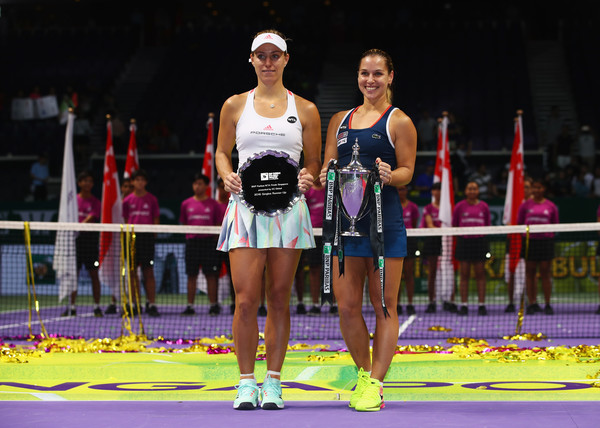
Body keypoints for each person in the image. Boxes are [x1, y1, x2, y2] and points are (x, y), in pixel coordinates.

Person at [215, 30, 321, 410]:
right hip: (244, 211)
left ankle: (273, 382)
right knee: (245, 301)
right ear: (251, 59)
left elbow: (314, 161)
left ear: (286, 60)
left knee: (278, 298)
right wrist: (225, 173)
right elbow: (221, 153)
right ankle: (246, 382)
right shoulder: (234, 106)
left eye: (275, 55)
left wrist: (310, 175)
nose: (268, 62)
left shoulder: (305, 109)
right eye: (261, 56)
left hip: (289, 212)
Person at [319, 48, 416, 412]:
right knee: (346, 307)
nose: (370, 80)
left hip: (384, 226)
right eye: (364, 73)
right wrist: (312, 177)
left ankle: (375, 383)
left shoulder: (399, 121)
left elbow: (407, 169)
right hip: (344, 228)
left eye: (377, 73)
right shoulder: (340, 120)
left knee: (384, 306)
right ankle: (363, 375)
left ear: (391, 76)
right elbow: (329, 166)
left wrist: (392, 176)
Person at [180, 173, 223, 316]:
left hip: (208, 243)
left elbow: (218, 224)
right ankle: (190, 306)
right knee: (191, 275)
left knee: (211, 275)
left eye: (200, 183)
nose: (197, 186)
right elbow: (184, 223)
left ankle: (213, 305)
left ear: (206, 186)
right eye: (195, 183)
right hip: (192, 243)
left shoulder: (214, 204)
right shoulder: (186, 204)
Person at [62, 171, 103, 317]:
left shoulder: (96, 202)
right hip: (75, 243)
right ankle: (71, 307)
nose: (87, 184)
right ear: (79, 183)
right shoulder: (71, 202)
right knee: (74, 275)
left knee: (94, 274)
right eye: (84, 181)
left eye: (90, 181)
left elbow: (92, 217)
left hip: (90, 242)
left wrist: (79, 226)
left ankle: (97, 306)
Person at [122, 169, 161, 317]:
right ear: (132, 182)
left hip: (147, 238)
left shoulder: (152, 199)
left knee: (148, 272)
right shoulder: (127, 201)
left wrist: (153, 236)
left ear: (145, 182)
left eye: (142, 180)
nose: (139, 182)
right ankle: (134, 303)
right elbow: (126, 221)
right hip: (131, 239)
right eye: (136, 180)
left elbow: (156, 220)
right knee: (132, 272)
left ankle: (151, 303)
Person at [517, 178, 559, 315]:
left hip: (545, 242)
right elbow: (520, 224)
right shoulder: (525, 205)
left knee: (546, 273)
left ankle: (547, 304)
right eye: (534, 187)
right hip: (530, 242)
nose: (536, 190)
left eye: (539, 187)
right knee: (530, 273)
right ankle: (532, 303)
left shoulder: (551, 206)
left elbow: (555, 225)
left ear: (544, 189)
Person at [452, 181, 491, 316]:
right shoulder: (459, 206)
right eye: (470, 188)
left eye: (475, 188)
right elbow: (455, 224)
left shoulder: (484, 206)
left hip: (480, 242)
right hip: (464, 242)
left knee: (480, 274)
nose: (472, 191)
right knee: (464, 275)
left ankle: (481, 305)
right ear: (466, 191)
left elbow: (487, 225)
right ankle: (464, 305)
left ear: (478, 191)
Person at [505, 176, 532, 313]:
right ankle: (511, 302)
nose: (524, 190)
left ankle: (528, 301)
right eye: (523, 187)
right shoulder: (513, 202)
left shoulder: (533, 204)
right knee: (512, 272)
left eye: (527, 187)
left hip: (530, 241)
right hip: (514, 240)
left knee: (530, 272)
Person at [420, 182, 442, 313]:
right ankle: (431, 301)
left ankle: (449, 301)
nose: (437, 192)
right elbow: (429, 224)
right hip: (432, 240)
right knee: (432, 272)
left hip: (446, 239)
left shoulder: (448, 208)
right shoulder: (428, 208)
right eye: (435, 190)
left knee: (448, 271)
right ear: (432, 192)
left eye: (440, 190)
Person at [397, 185, 419, 315]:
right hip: (395, 239)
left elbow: (414, 223)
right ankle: (397, 303)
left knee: (409, 274)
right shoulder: (393, 205)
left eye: (404, 189)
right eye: (400, 189)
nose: (402, 191)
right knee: (397, 276)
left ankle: (410, 303)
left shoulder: (413, 207)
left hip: (409, 241)